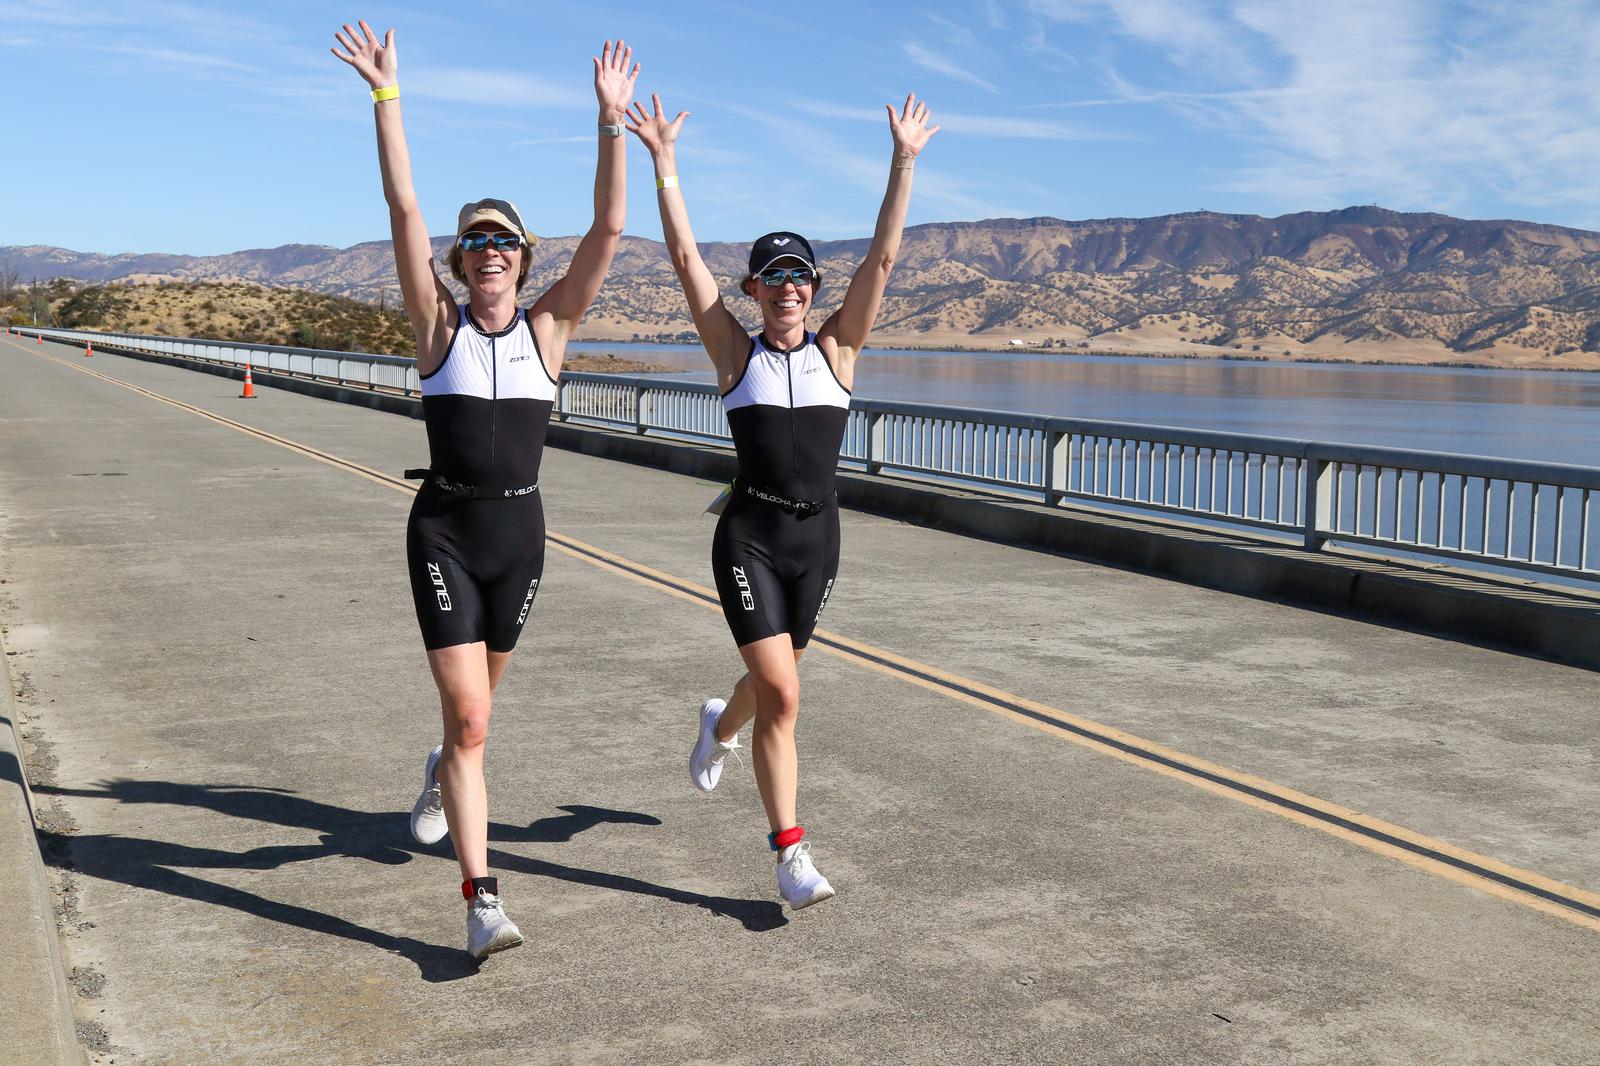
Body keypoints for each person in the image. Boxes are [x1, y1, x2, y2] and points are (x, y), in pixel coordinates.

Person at [332, 21, 636, 959]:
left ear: (523, 258)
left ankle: (441, 771)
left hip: (522, 541)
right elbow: (404, 205)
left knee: (473, 723)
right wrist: (387, 99)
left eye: (503, 240)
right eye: (476, 242)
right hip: (447, 535)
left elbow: (613, 229)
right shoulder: (440, 331)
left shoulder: (550, 333)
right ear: (460, 261)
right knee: (471, 719)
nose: (489, 251)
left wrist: (609, 124)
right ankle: (480, 899)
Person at [626, 92, 937, 909]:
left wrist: (903, 161)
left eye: (800, 276)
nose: (789, 289)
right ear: (756, 291)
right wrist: (664, 166)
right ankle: (790, 856)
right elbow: (686, 261)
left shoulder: (840, 348)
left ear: (812, 287)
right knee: (789, 696)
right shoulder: (735, 352)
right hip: (750, 539)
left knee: (770, 688)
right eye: (774, 278)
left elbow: (884, 263)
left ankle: (718, 726)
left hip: (817, 542)